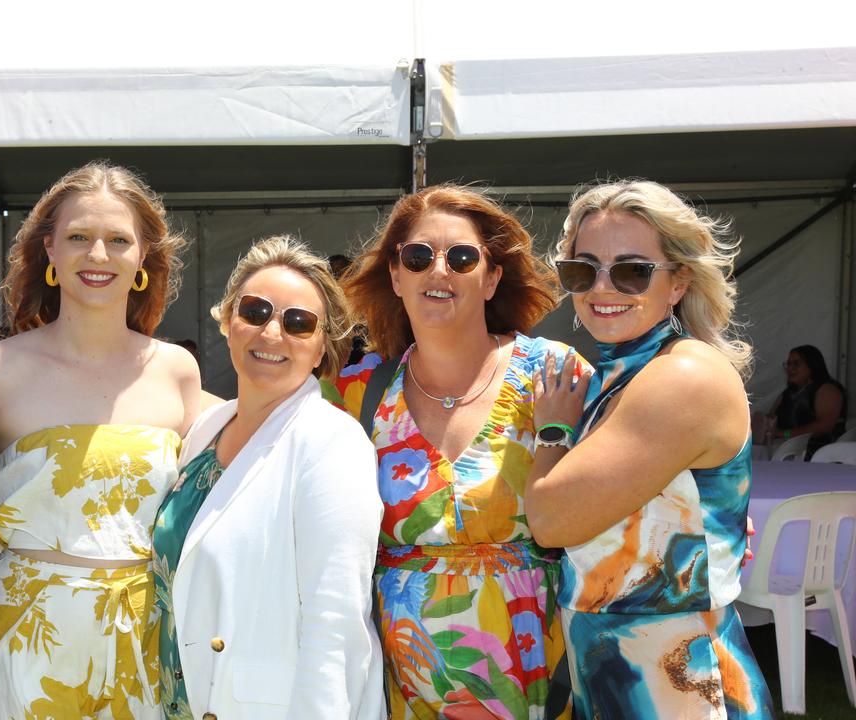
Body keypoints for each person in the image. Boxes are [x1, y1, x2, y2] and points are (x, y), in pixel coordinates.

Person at [526, 179, 772, 718]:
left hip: (680, 680)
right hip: (625, 667)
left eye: (633, 270)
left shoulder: (680, 377)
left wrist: (552, 432)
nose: (603, 287)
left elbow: (550, 519)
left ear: (679, 283)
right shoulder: (622, 375)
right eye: (582, 269)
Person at [0, 161, 201, 719]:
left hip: (146, 640)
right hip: (27, 640)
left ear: (143, 256)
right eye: (78, 237)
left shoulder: (178, 371)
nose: (98, 255)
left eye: (118, 240)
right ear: (49, 249)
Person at [335, 185, 577, 719]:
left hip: (532, 659)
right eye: (418, 257)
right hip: (406, 673)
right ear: (396, 276)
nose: (438, 272)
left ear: (492, 277)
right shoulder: (357, 394)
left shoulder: (553, 371)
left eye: (462, 257)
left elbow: (629, 457)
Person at [154, 235, 384, 719]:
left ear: (324, 347)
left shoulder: (332, 444)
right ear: (228, 321)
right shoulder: (205, 432)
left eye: (299, 323)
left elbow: (335, 627)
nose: (272, 333)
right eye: (255, 311)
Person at [767, 344, 847, 457]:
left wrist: (784, 434)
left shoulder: (827, 389)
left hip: (820, 455)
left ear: (812, 365)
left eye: (796, 363)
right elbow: (770, 418)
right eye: (788, 364)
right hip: (787, 451)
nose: (790, 368)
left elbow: (824, 427)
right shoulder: (787, 393)